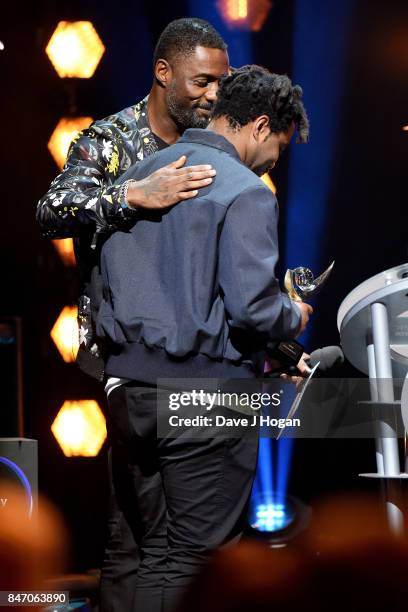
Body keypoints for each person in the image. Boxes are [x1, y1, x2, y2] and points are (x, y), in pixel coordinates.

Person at [97, 65, 313, 612]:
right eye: (279, 148)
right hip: (202, 398)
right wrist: (293, 314)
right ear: (261, 126)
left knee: (157, 554)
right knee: (195, 565)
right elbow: (252, 311)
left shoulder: (139, 177)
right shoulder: (246, 191)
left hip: (125, 391)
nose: (273, 164)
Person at [36, 17, 230, 612]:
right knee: (139, 532)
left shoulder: (213, 145)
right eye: (201, 82)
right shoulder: (110, 140)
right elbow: (52, 210)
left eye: (220, 84)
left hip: (200, 356)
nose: (212, 96)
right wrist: (129, 195)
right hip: (127, 357)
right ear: (162, 72)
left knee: (168, 531)